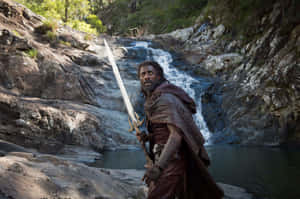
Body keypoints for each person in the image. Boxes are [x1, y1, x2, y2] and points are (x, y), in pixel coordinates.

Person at [137, 61, 224, 199]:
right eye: (143, 74)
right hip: (166, 157)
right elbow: (164, 132)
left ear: (159, 76)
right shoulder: (157, 97)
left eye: (150, 73)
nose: (146, 77)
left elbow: (176, 135)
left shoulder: (165, 99)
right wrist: (149, 137)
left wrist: (159, 167)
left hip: (172, 160)